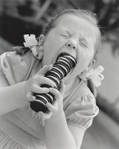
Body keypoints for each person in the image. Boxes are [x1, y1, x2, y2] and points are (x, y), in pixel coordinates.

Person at [0, 9, 104, 149]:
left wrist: (56, 116)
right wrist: (25, 89)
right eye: (64, 34)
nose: (72, 43)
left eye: (84, 44)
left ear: (89, 65)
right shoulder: (20, 64)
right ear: (42, 42)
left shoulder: (81, 99)